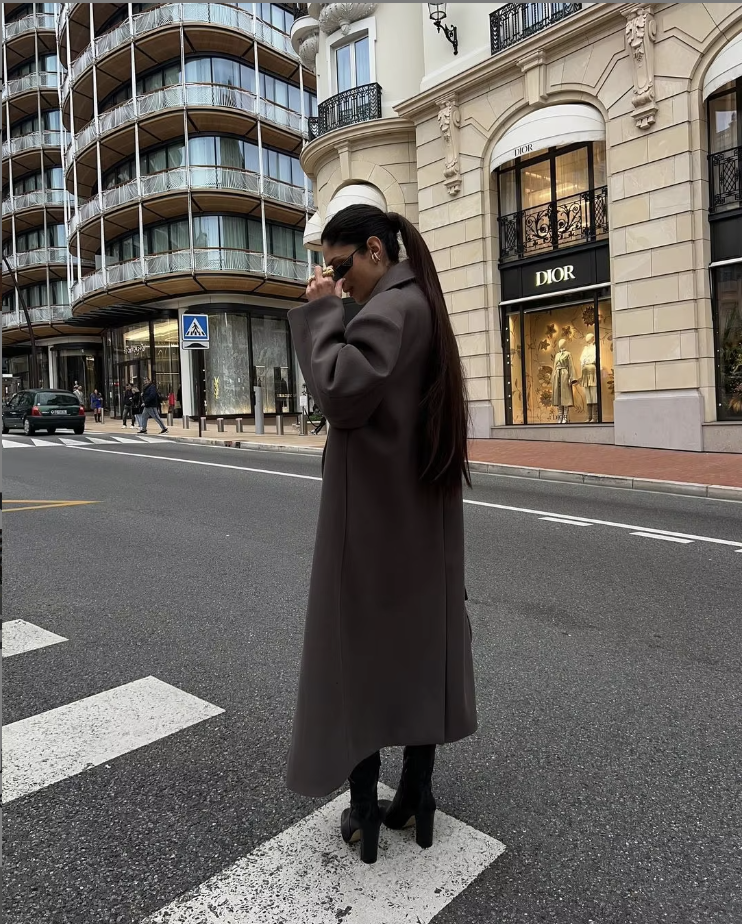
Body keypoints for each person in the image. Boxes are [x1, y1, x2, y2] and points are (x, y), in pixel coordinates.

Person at [286, 204, 476, 865]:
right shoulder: (422, 304)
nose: (338, 281)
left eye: (341, 267)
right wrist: (339, 309)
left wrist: (320, 313)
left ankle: (365, 810)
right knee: (420, 646)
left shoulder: (390, 308)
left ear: (374, 250)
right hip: (421, 511)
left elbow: (341, 393)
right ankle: (417, 794)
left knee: (357, 651)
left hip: (370, 514)